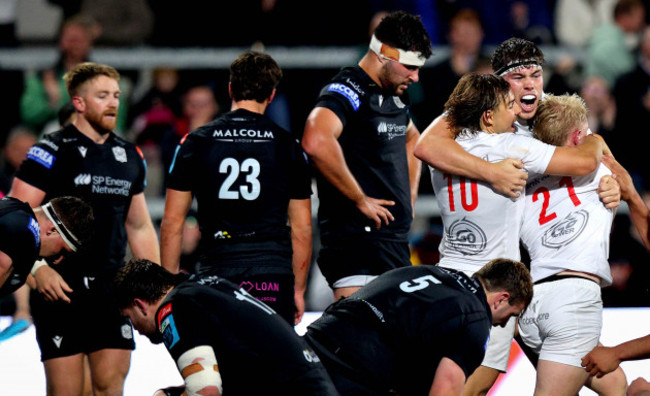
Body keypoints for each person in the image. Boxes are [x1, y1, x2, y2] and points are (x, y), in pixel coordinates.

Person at [415, 67, 611, 396]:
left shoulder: (445, 150)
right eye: (509, 104)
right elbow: (582, 164)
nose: (516, 110)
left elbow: (426, 142)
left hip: (447, 276)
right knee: (473, 384)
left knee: (437, 376)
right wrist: (594, 140)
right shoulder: (513, 146)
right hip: (492, 287)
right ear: (488, 116)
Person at [10, 62, 160, 396]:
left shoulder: (130, 154)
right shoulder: (49, 150)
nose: (113, 103)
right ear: (78, 103)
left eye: (117, 96)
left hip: (112, 289)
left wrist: (156, 285)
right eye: (103, 95)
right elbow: (14, 220)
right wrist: (37, 270)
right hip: (60, 289)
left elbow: (138, 225)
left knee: (109, 387)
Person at [161, 51, 312, 325]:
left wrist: (168, 287)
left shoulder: (195, 142)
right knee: (269, 363)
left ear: (230, 89)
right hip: (272, 273)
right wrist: (299, 290)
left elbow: (172, 221)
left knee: (225, 361)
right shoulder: (288, 145)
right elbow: (302, 228)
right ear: (272, 95)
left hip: (218, 268)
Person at [301, 11, 432, 301]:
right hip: (358, 246)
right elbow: (316, 139)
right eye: (410, 66)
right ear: (384, 54)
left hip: (393, 246)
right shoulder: (349, 90)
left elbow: (413, 138)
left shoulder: (394, 93)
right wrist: (359, 198)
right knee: (357, 341)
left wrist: (407, 199)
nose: (415, 76)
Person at [517, 93, 626, 396]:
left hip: (532, 302)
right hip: (573, 298)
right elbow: (616, 174)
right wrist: (614, 183)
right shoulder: (601, 170)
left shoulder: (521, 181)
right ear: (578, 137)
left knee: (615, 383)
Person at [303, 258, 533, 396]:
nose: (504, 324)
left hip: (313, 342)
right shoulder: (476, 320)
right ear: (502, 298)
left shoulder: (424, 272)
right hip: (353, 370)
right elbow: (445, 391)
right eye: (510, 315)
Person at [114, 258, 340, 396]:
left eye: (130, 319)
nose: (137, 331)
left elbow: (205, 392)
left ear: (140, 305)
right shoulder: (206, 287)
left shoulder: (171, 309)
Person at [0, 196, 93, 296]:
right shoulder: (24, 230)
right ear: (52, 230)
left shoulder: (13, 206)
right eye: (63, 251)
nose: (58, 260)